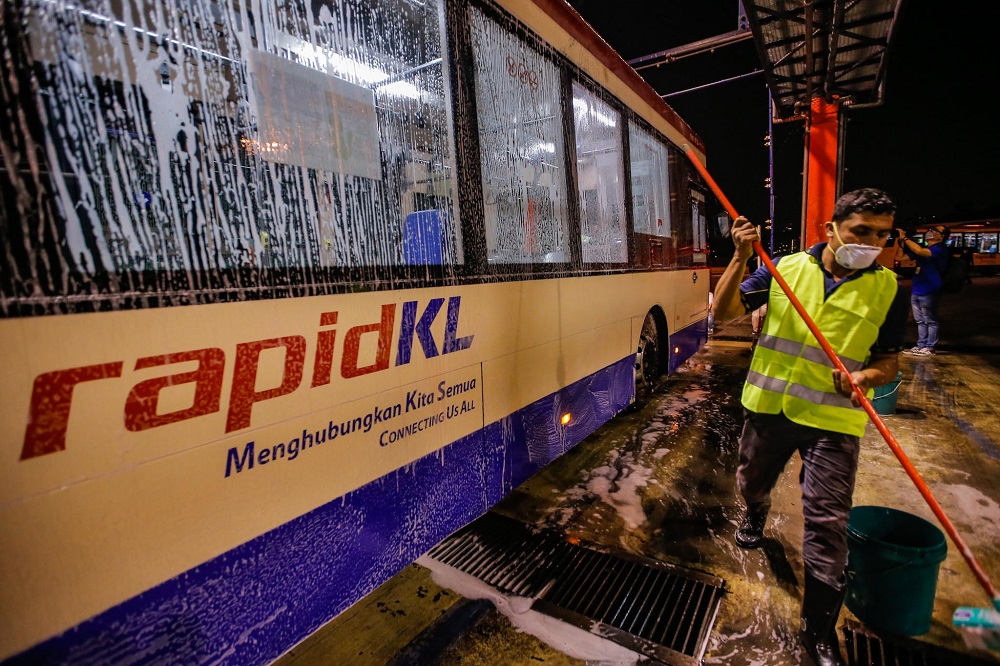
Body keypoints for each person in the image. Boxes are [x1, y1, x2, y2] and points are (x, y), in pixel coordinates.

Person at [711, 188, 909, 666]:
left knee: (827, 522)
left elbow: (889, 360)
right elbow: (723, 312)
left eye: (882, 235)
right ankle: (755, 512)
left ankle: (818, 633)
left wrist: (866, 376)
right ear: (832, 229)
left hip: (834, 422)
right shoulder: (784, 268)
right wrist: (739, 257)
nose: (872, 242)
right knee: (751, 482)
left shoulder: (888, 289)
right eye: (862, 231)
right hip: (770, 410)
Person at [898, 225, 949, 355]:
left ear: (942, 237)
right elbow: (900, 258)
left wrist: (906, 238)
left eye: (935, 231)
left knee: (930, 319)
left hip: (930, 288)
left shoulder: (940, 249)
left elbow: (920, 251)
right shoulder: (925, 249)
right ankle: (921, 345)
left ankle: (930, 347)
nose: (930, 232)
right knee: (920, 320)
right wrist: (900, 242)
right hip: (917, 289)